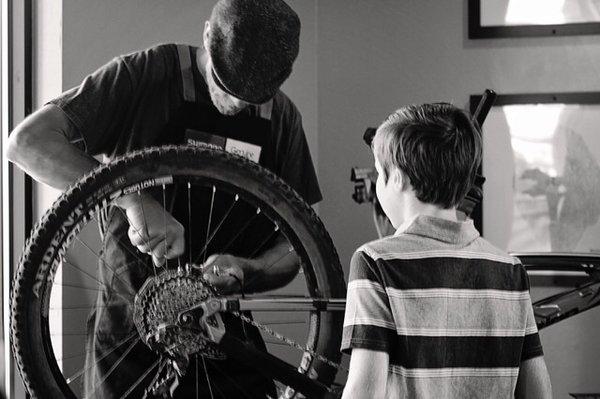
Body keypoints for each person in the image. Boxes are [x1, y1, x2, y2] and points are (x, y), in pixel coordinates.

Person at [7, 0, 321, 397]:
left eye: (252, 97)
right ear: (207, 34)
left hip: (224, 337)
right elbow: (28, 143)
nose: (237, 105)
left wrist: (248, 269)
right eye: (225, 86)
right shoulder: (144, 75)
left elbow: (299, 250)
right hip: (126, 338)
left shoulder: (283, 119)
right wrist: (132, 198)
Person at [341, 103, 552, 399]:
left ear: (398, 177)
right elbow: (538, 394)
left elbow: (364, 392)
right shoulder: (510, 269)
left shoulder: (375, 263)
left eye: (379, 174)